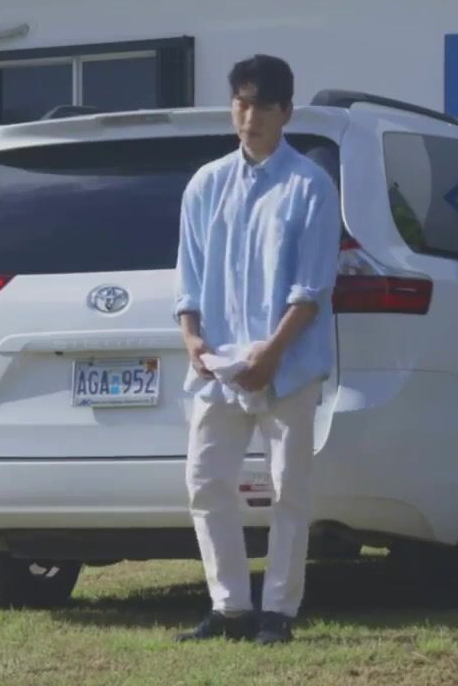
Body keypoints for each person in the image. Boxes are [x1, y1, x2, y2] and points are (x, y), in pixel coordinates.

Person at [172, 54, 340, 646]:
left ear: (286, 111)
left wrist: (271, 354)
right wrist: (192, 336)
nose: (252, 117)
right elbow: (188, 278)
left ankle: (279, 612)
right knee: (205, 481)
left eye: (265, 106)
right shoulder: (205, 183)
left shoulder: (311, 185)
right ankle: (229, 608)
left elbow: (312, 288)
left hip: (288, 364)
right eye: (242, 104)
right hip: (218, 365)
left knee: (288, 488)